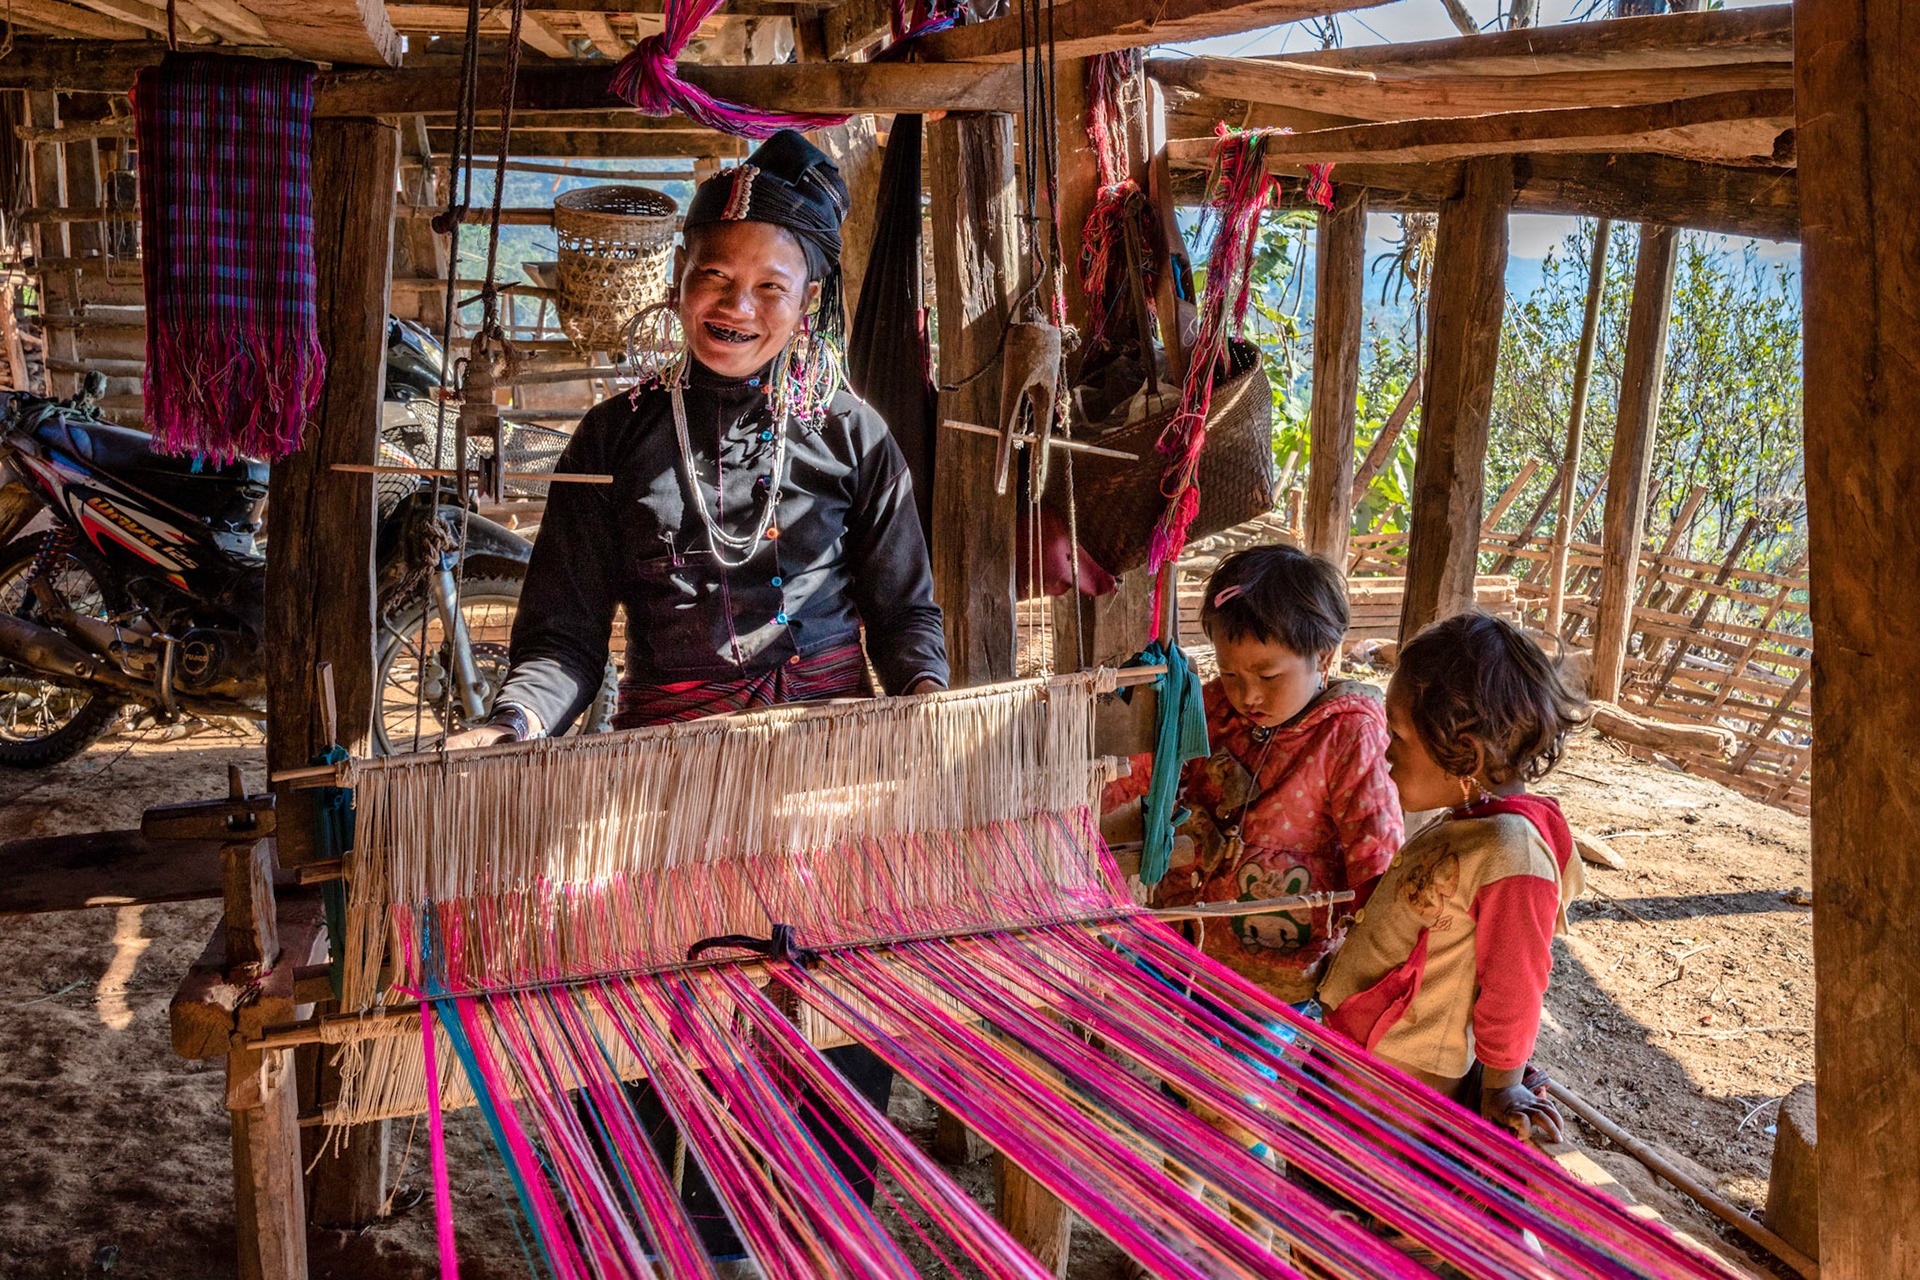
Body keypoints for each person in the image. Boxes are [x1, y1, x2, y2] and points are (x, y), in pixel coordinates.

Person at [446, 129, 948, 1267]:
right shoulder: (615, 436)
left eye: (770, 285)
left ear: (807, 300)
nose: (738, 305)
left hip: (825, 800)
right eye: (715, 278)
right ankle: (660, 1243)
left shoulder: (854, 437)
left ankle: (806, 1237)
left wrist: (922, 699)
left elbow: (906, 613)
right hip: (661, 800)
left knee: (822, 1034)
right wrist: (514, 719)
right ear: (678, 285)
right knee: (645, 1033)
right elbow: (566, 638)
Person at [1319, 610, 1588, 1142]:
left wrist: (1502, 1086)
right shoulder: (1475, 827)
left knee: (1365, 1213)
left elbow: (1516, 981)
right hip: (1360, 1065)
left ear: (1463, 750)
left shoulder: (1512, 852)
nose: (1387, 755)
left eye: (1397, 736)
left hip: (1398, 1097)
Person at [1104, 544, 1403, 1006]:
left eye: (1268, 676)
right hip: (1184, 941)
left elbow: (1376, 860)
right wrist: (1063, 811)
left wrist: (1363, 980)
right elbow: (1144, 771)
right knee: (1178, 1067)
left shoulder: (1348, 735)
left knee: (1237, 1078)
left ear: (1322, 658)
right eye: (1230, 672)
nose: (1248, 695)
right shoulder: (1207, 707)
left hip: (1278, 976)